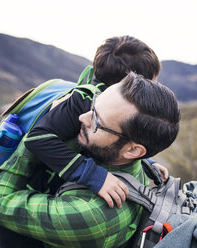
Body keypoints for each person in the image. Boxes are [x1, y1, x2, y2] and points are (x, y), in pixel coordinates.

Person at [0, 72, 180, 247]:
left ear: (133, 150)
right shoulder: (126, 159)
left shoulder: (91, 215)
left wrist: (42, 126)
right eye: (93, 105)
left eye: (97, 121)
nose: (82, 118)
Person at [24, 35, 166, 209]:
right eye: (152, 82)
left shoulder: (107, 104)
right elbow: (37, 138)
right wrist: (94, 176)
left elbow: (119, 142)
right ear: (131, 84)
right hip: (34, 194)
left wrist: (147, 162)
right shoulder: (82, 101)